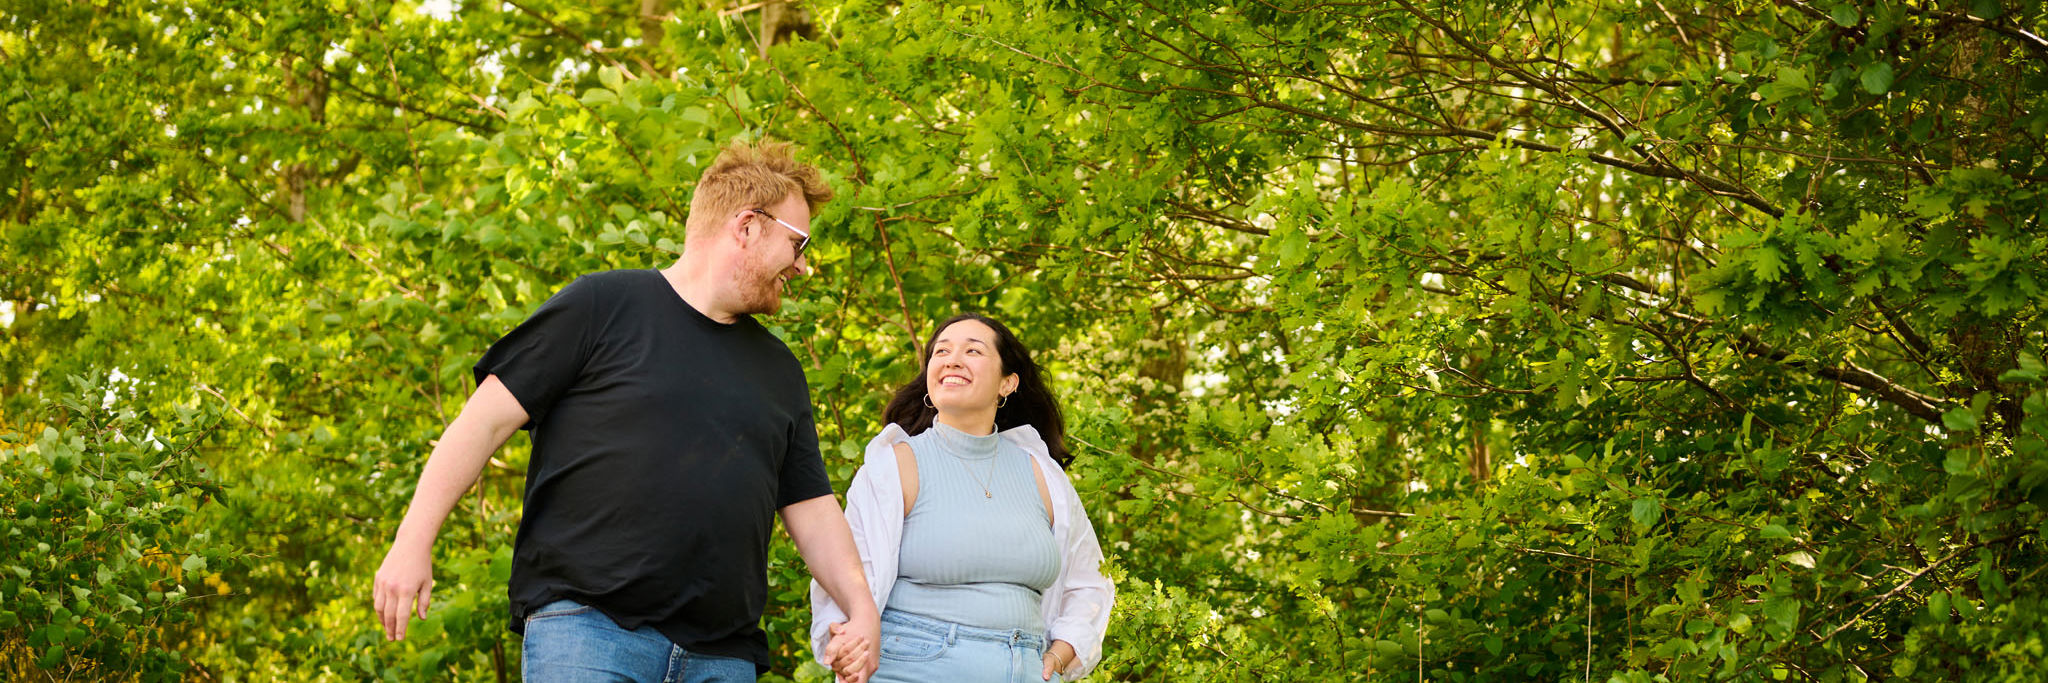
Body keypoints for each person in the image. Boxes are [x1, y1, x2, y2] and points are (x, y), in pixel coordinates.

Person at [371, 140, 880, 683]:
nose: (802, 267)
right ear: (747, 227)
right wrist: (412, 543)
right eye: (796, 243)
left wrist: (862, 607)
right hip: (588, 635)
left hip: (723, 657)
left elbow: (812, 506)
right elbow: (482, 422)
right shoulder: (600, 306)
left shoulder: (780, 370)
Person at [810, 314, 1114, 682]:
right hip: (912, 667)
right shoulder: (894, 465)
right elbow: (847, 572)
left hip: (1026, 667)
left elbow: (1090, 582)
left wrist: (1061, 655)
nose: (952, 359)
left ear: (1008, 382)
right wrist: (844, 640)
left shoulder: (1042, 474)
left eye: (973, 350)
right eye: (941, 351)